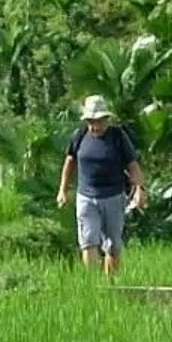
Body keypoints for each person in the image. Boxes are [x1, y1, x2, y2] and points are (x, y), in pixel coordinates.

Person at [56, 95, 146, 277]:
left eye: (98, 121)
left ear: (106, 119)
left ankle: (110, 282)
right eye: (91, 121)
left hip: (113, 197)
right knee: (89, 241)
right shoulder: (80, 135)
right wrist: (63, 190)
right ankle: (93, 283)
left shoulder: (118, 136)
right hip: (86, 197)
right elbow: (70, 162)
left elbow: (133, 165)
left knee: (112, 245)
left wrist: (139, 190)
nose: (95, 126)